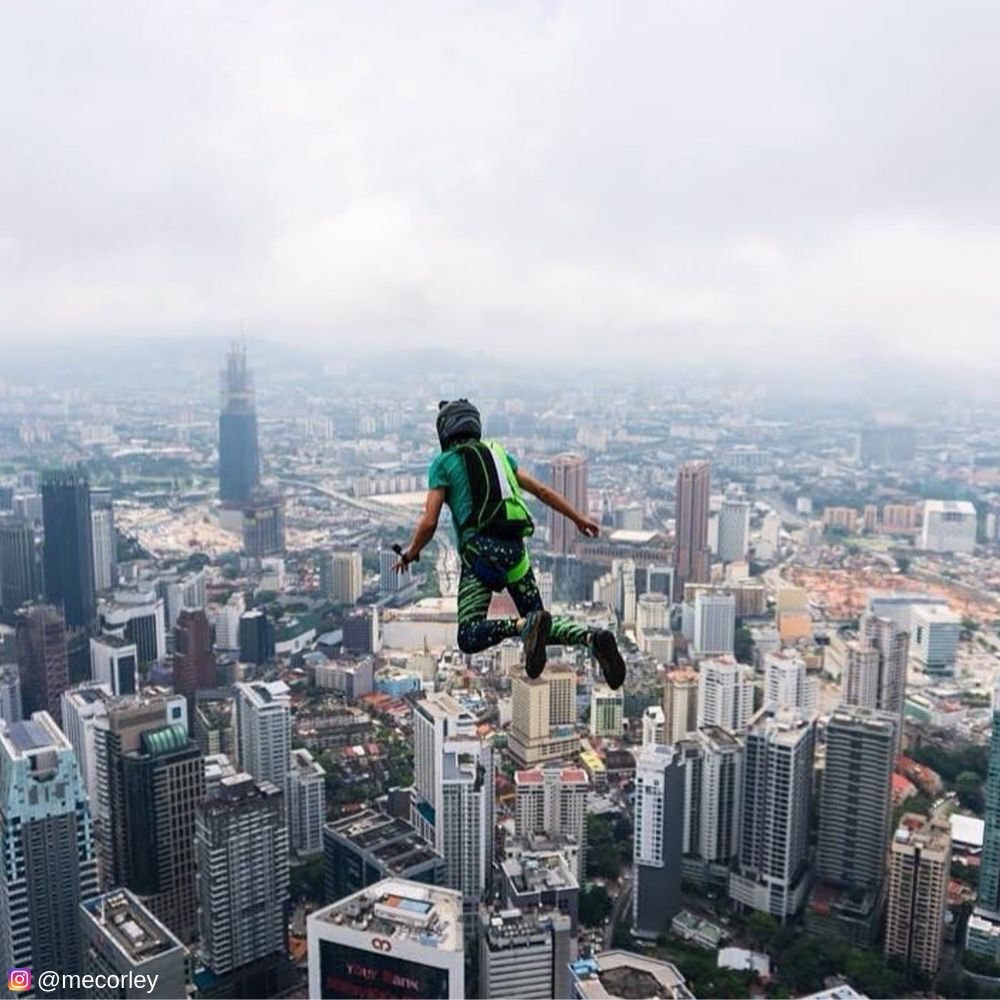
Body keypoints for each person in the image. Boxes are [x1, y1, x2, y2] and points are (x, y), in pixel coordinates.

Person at [394, 398, 626, 689]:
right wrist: (578, 518)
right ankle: (591, 638)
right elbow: (541, 491)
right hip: (516, 549)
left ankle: (521, 626)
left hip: (481, 554)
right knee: (540, 624)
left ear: (445, 430)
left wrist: (411, 554)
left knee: (469, 635)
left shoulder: (443, 463)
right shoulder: (498, 453)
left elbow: (429, 522)